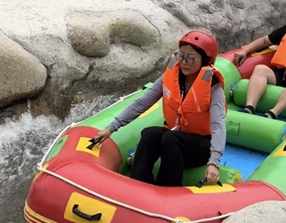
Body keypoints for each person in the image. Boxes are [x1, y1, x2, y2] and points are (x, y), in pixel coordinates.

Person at [91, 31, 227, 187]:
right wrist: (111, 128)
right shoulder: (172, 76)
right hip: (175, 138)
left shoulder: (213, 88)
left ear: (205, 61)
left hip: (201, 146)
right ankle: (138, 184)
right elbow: (142, 102)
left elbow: (218, 125)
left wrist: (214, 162)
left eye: (191, 58)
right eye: (181, 56)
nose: (184, 62)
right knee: (150, 134)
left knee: (170, 138)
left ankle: (167, 189)